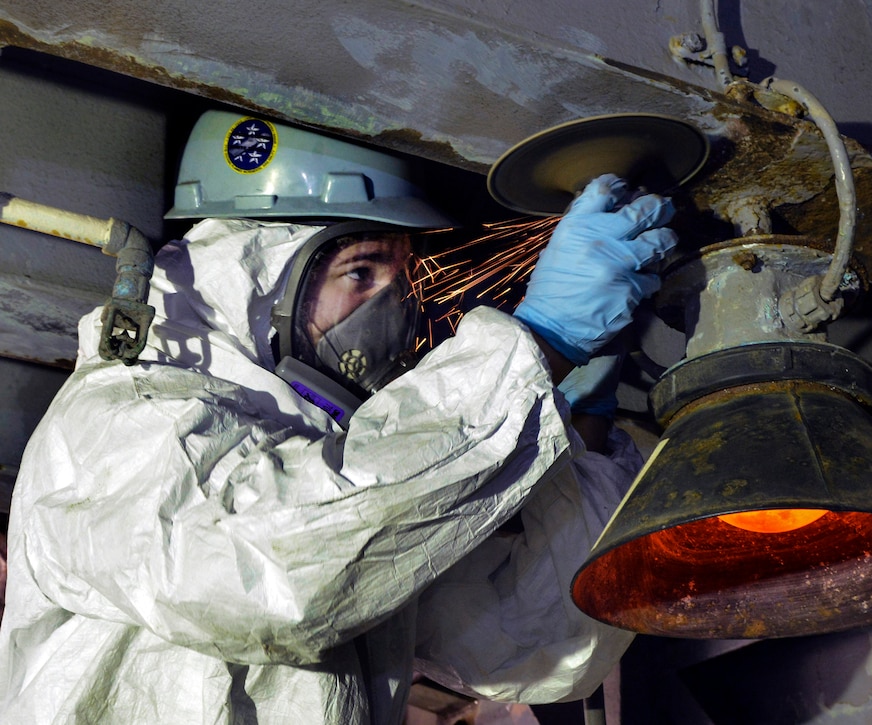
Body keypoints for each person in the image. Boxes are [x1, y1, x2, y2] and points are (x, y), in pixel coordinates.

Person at [0, 110, 678, 724]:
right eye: (359, 273)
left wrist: (571, 426)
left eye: (401, 282)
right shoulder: (113, 421)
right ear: (256, 281)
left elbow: (534, 642)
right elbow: (277, 570)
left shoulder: (362, 492)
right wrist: (533, 348)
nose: (394, 312)